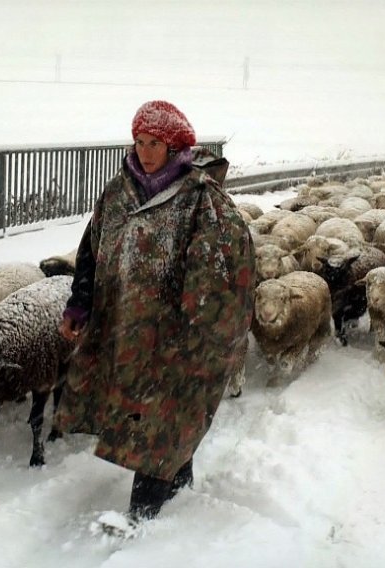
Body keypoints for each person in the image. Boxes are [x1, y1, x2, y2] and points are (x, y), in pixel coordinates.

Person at [55, 100, 255, 536]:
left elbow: (220, 274)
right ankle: (177, 479)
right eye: (140, 142)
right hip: (123, 330)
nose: (145, 152)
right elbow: (90, 252)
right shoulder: (118, 191)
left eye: (155, 143)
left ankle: (141, 518)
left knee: (163, 417)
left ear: (176, 145)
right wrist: (79, 304)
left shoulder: (201, 200)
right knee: (146, 417)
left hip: (176, 337)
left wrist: (200, 335)